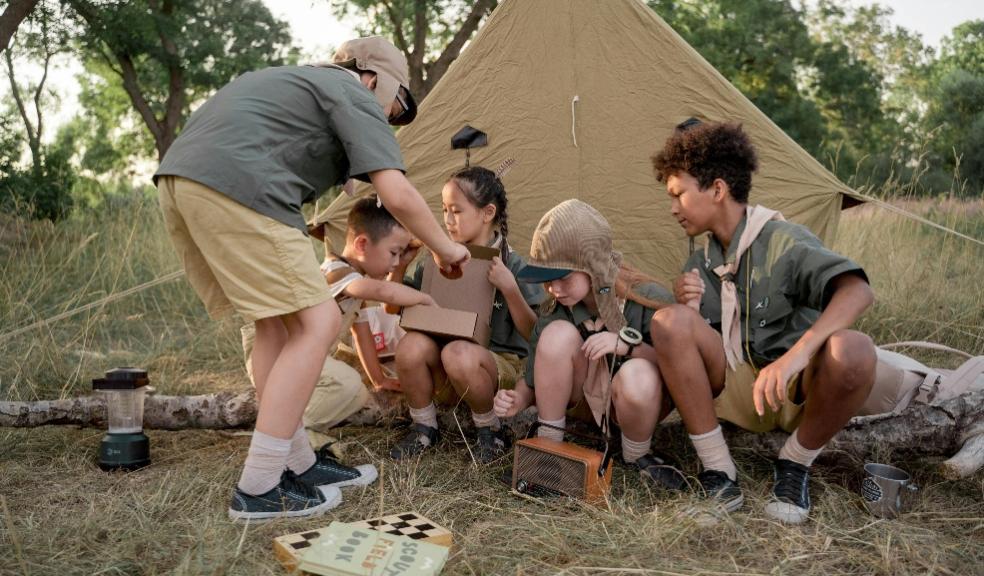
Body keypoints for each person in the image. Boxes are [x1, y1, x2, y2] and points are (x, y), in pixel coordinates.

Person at [154, 36, 469, 521]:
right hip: (241, 187)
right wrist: (447, 248)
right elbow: (398, 194)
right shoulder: (354, 93)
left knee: (275, 325)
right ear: (372, 78)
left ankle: (296, 461)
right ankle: (259, 485)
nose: (391, 118)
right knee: (319, 321)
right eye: (398, 104)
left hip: (182, 180)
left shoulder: (300, 84)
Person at [648, 120, 876, 524]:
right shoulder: (699, 261)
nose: (672, 209)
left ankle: (795, 464)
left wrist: (796, 356)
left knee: (855, 350)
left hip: (795, 386)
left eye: (678, 194)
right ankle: (719, 472)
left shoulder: (784, 240)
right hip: (735, 386)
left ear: (717, 189)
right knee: (669, 321)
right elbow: (700, 342)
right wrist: (690, 308)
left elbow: (857, 291)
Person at [494, 199, 681, 485]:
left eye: (563, 278)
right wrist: (517, 398)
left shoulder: (646, 298)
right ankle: (549, 447)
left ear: (593, 267)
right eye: (547, 280)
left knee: (637, 372)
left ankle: (637, 455)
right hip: (584, 405)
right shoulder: (555, 309)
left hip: (636, 406)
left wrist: (628, 347)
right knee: (556, 334)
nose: (554, 289)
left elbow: (680, 369)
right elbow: (533, 378)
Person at [241, 196, 434, 471]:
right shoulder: (337, 271)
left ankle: (291, 433)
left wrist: (378, 378)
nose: (395, 263)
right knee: (346, 383)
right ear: (362, 244)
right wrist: (423, 299)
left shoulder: (357, 282)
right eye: (393, 253)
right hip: (274, 353)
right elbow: (382, 292)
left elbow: (361, 334)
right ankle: (285, 435)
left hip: (298, 359)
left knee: (355, 393)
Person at [388, 166, 544, 463]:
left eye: (456, 211)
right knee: (410, 345)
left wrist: (510, 290)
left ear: (487, 213)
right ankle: (424, 427)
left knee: (459, 353)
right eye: (444, 210)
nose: (447, 220)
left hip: (498, 368)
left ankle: (491, 431)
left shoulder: (512, 265)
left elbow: (535, 335)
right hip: (446, 364)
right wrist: (399, 265)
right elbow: (393, 306)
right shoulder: (438, 259)